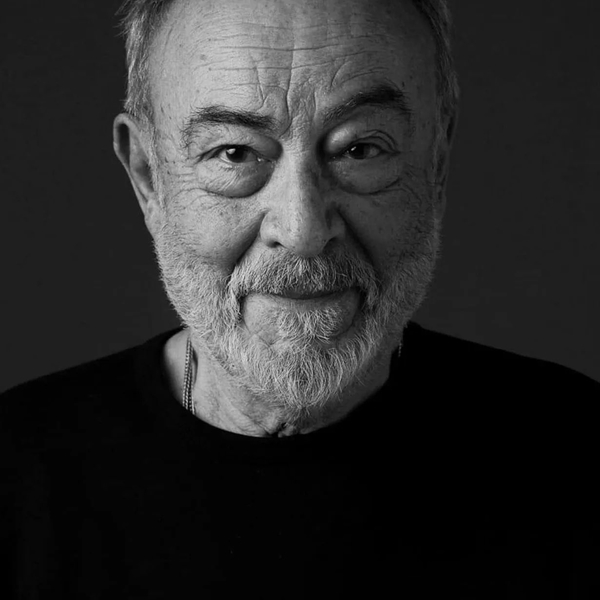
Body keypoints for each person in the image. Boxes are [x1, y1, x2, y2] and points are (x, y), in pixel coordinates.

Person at [1, 0, 598, 597]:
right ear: (148, 177)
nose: (303, 229)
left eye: (360, 149)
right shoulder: (17, 476)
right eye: (235, 153)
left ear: (436, 163)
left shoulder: (573, 453)